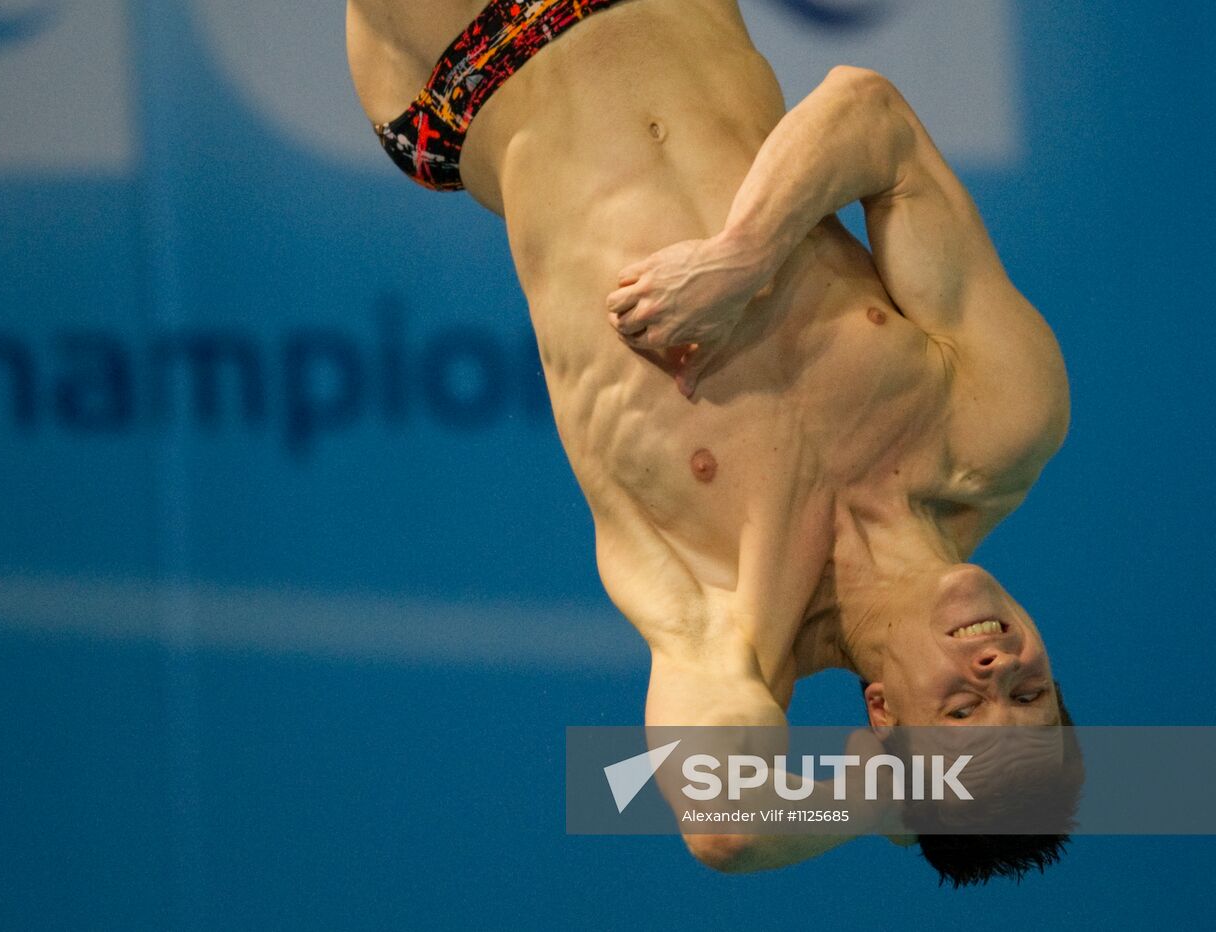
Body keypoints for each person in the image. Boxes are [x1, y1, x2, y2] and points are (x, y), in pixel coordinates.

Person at [347, 0, 1075, 883]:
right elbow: (871, 115)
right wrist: (747, 254)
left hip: (472, 61)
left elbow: (721, 824)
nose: (996, 668)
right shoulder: (1001, 420)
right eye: (1028, 695)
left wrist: (880, 806)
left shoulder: (721, 624)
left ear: (884, 717)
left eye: (963, 711)